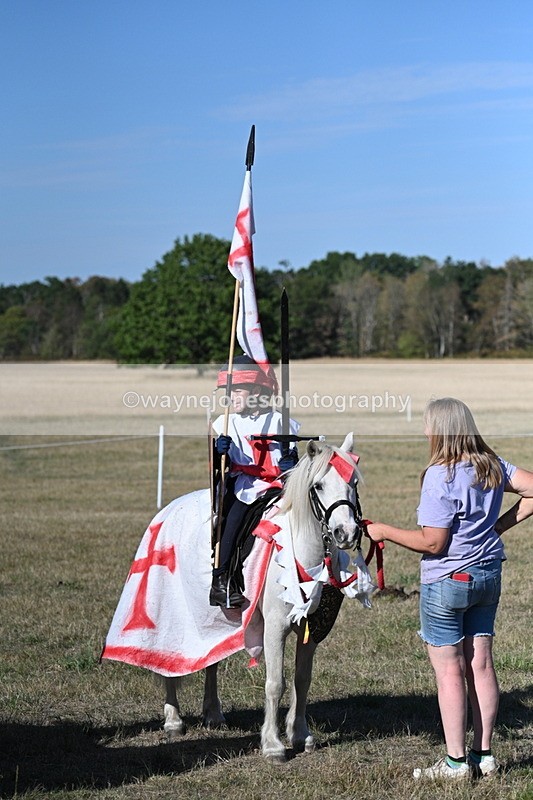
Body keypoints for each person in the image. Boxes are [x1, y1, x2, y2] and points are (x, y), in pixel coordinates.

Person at [366, 397, 533, 781]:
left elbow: (433, 544)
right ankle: (484, 755)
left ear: (439, 430)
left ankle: (456, 763)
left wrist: (383, 531)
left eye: (427, 425)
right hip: (489, 575)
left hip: (448, 580)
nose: (424, 431)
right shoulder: (491, 465)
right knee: (482, 664)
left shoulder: (440, 475)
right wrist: (499, 527)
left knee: (449, 672)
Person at [210, 355, 300, 608]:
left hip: (280, 488)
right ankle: (221, 581)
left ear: (257, 390)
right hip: (246, 487)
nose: (230, 397)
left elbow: (295, 464)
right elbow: (218, 469)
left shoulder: (282, 422)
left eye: (236, 389)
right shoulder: (225, 422)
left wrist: (290, 462)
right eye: (227, 391)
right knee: (234, 519)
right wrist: (220, 453)